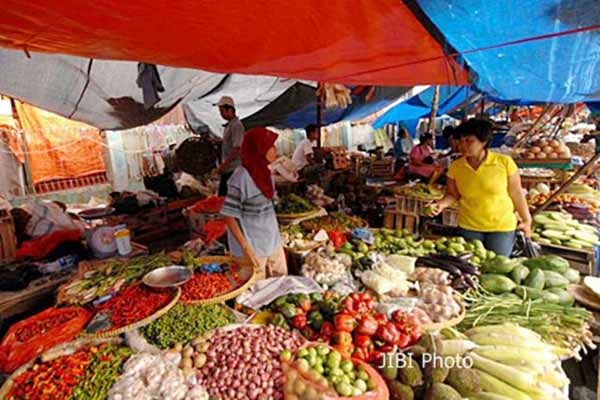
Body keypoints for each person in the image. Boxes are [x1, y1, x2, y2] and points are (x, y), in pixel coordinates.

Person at [430, 119, 532, 256]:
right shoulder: (456, 166)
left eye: (469, 141)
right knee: (471, 268)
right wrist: (441, 205)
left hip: (501, 228)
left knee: (497, 268)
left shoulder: (504, 162)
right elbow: (453, 195)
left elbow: (516, 193)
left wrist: (527, 220)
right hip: (469, 227)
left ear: (483, 142)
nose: (462, 145)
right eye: (461, 141)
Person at [221, 127, 287, 279]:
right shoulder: (240, 178)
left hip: (272, 242)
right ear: (259, 149)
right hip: (252, 249)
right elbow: (228, 216)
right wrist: (247, 249)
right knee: (254, 296)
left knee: (281, 287)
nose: (275, 149)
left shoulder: (266, 173)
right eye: (270, 146)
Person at [215, 96, 245, 196]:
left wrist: (224, 165)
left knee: (226, 198)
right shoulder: (229, 125)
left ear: (230, 109)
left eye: (222, 111)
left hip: (233, 169)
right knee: (223, 197)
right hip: (228, 169)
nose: (220, 114)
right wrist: (218, 141)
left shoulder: (237, 125)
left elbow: (236, 148)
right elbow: (229, 142)